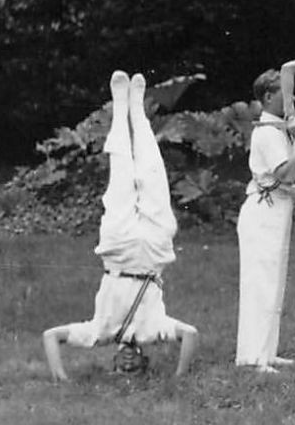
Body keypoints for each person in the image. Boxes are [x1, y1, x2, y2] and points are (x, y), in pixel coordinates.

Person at [43, 71, 198, 380]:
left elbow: (51, 336)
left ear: (112, 360)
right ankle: (137, 111)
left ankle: (120, 106)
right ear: (144, 360)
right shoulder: (154, 332)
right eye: (134, 366)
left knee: (121, 174)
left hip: (117, 252)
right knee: (153, 175)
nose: (127, 361)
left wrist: (60, 377)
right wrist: (180, 376)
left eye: (121, 366)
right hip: (154, 254)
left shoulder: (98, 333)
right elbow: (191, 334)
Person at [235, 68, 295, 373]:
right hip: (263, 211)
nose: (292, 98)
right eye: (286, 92)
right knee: (261, 283)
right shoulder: (266, 132)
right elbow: (287, 173)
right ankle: (253, 356)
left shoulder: (279, 130)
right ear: (268, 97)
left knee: (275, 282)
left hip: (278, 209)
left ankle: (266, 351)